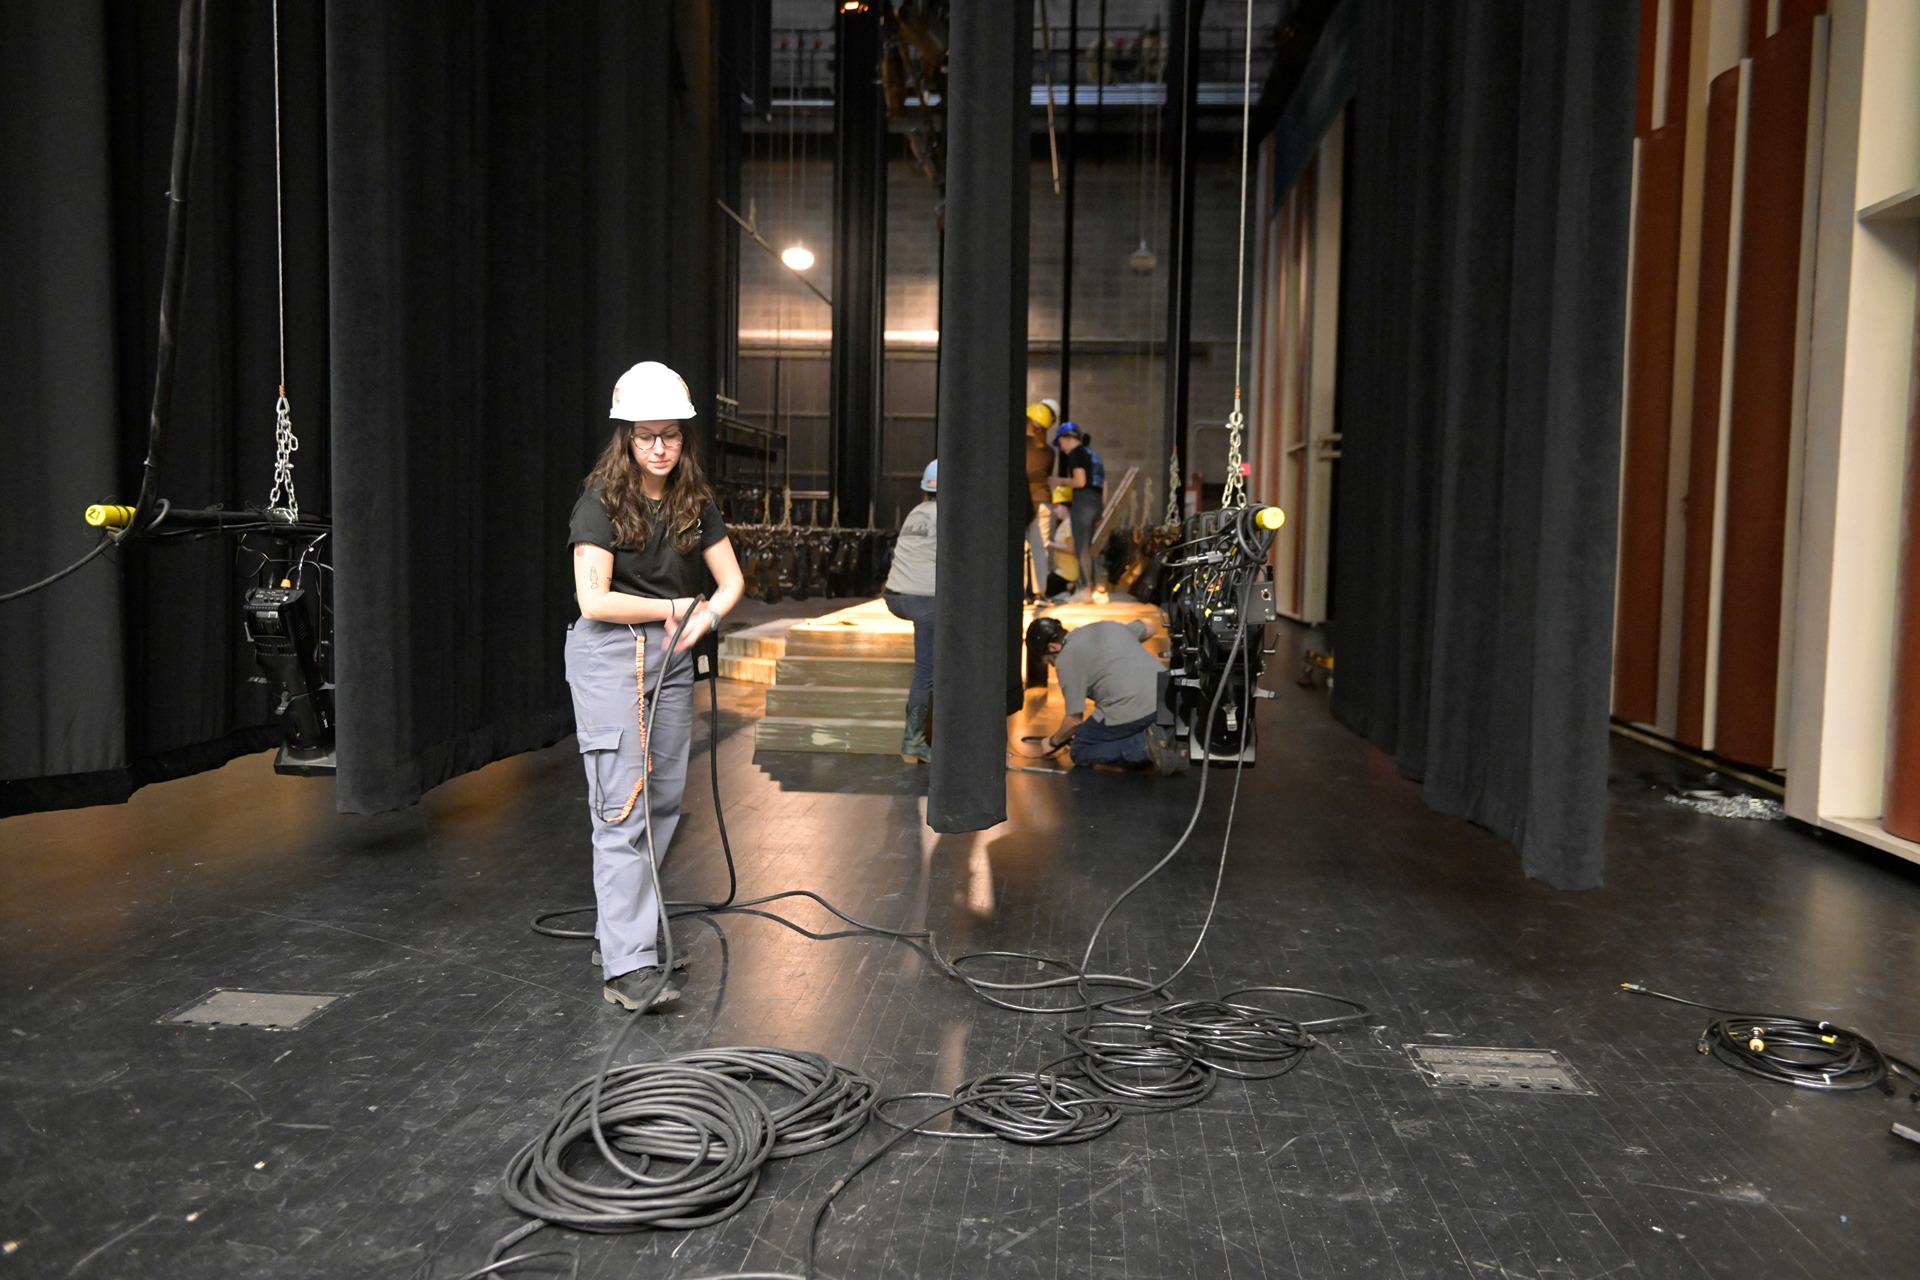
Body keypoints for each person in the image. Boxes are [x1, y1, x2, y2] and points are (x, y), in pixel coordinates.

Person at [566, 361, 744, 1012]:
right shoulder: (601, 501)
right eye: (646, 436)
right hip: (611, 654)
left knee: (664, 799)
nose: (660, 448)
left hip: (668, 658)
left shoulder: (695, 501)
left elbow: (729, 581)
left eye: (670, 435)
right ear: (626, 438)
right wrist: (675, 611)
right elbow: (593, 600)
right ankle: (628, 966)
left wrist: (709, 616)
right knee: (621, 807)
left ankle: (620, 933)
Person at [1018, 616, 1185, 774]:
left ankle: (1146, 747)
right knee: (1103, 726)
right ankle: (1159, 735)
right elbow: (1149, 628)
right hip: (1170, 695)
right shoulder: (1106, 627)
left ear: (1053, 647)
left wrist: (1052, 742)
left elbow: (1074, 721)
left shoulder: (1066, 659)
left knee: (1080, 748)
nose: (1053, 666)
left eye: (1049, 661)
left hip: (1134, 706)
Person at [884, 460, 938, 764]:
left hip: (895, 596)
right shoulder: (948, 516)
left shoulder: (916, 513)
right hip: (924, 602)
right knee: (925, 675)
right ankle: (913, 741)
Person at [1054, 423, 1104, 596]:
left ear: (1066, 439)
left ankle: (1085, 588)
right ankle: (1098, 586)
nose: (1061, 448)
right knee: (1090, 546)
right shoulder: (1093, 455)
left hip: (1083, 501)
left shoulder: (1076, 454)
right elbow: (1104, 483)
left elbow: (1080, 481)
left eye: (1061, 443)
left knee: (1081, 545)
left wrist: (1061, 481)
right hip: (1096, 501)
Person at [1023, 399, 1060, 601]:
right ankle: (1040, 594)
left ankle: (1019, 593)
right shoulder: (1049, 452)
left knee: (1021, 549)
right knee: (1040, 548)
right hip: (1043, 499)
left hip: (1022, 500)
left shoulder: (1019, 446)